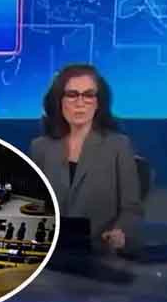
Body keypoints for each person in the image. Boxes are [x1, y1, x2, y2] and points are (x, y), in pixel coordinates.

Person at [29, 63, 143, 253]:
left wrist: (120, 232)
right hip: (50, 252)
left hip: (99, 252)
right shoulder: (40, 147)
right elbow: (33, 204)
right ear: (59, 101)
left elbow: (132, 209)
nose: (80, 103)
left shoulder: (118, 145)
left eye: (89, 95)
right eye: (72, 95)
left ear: (99, 102)